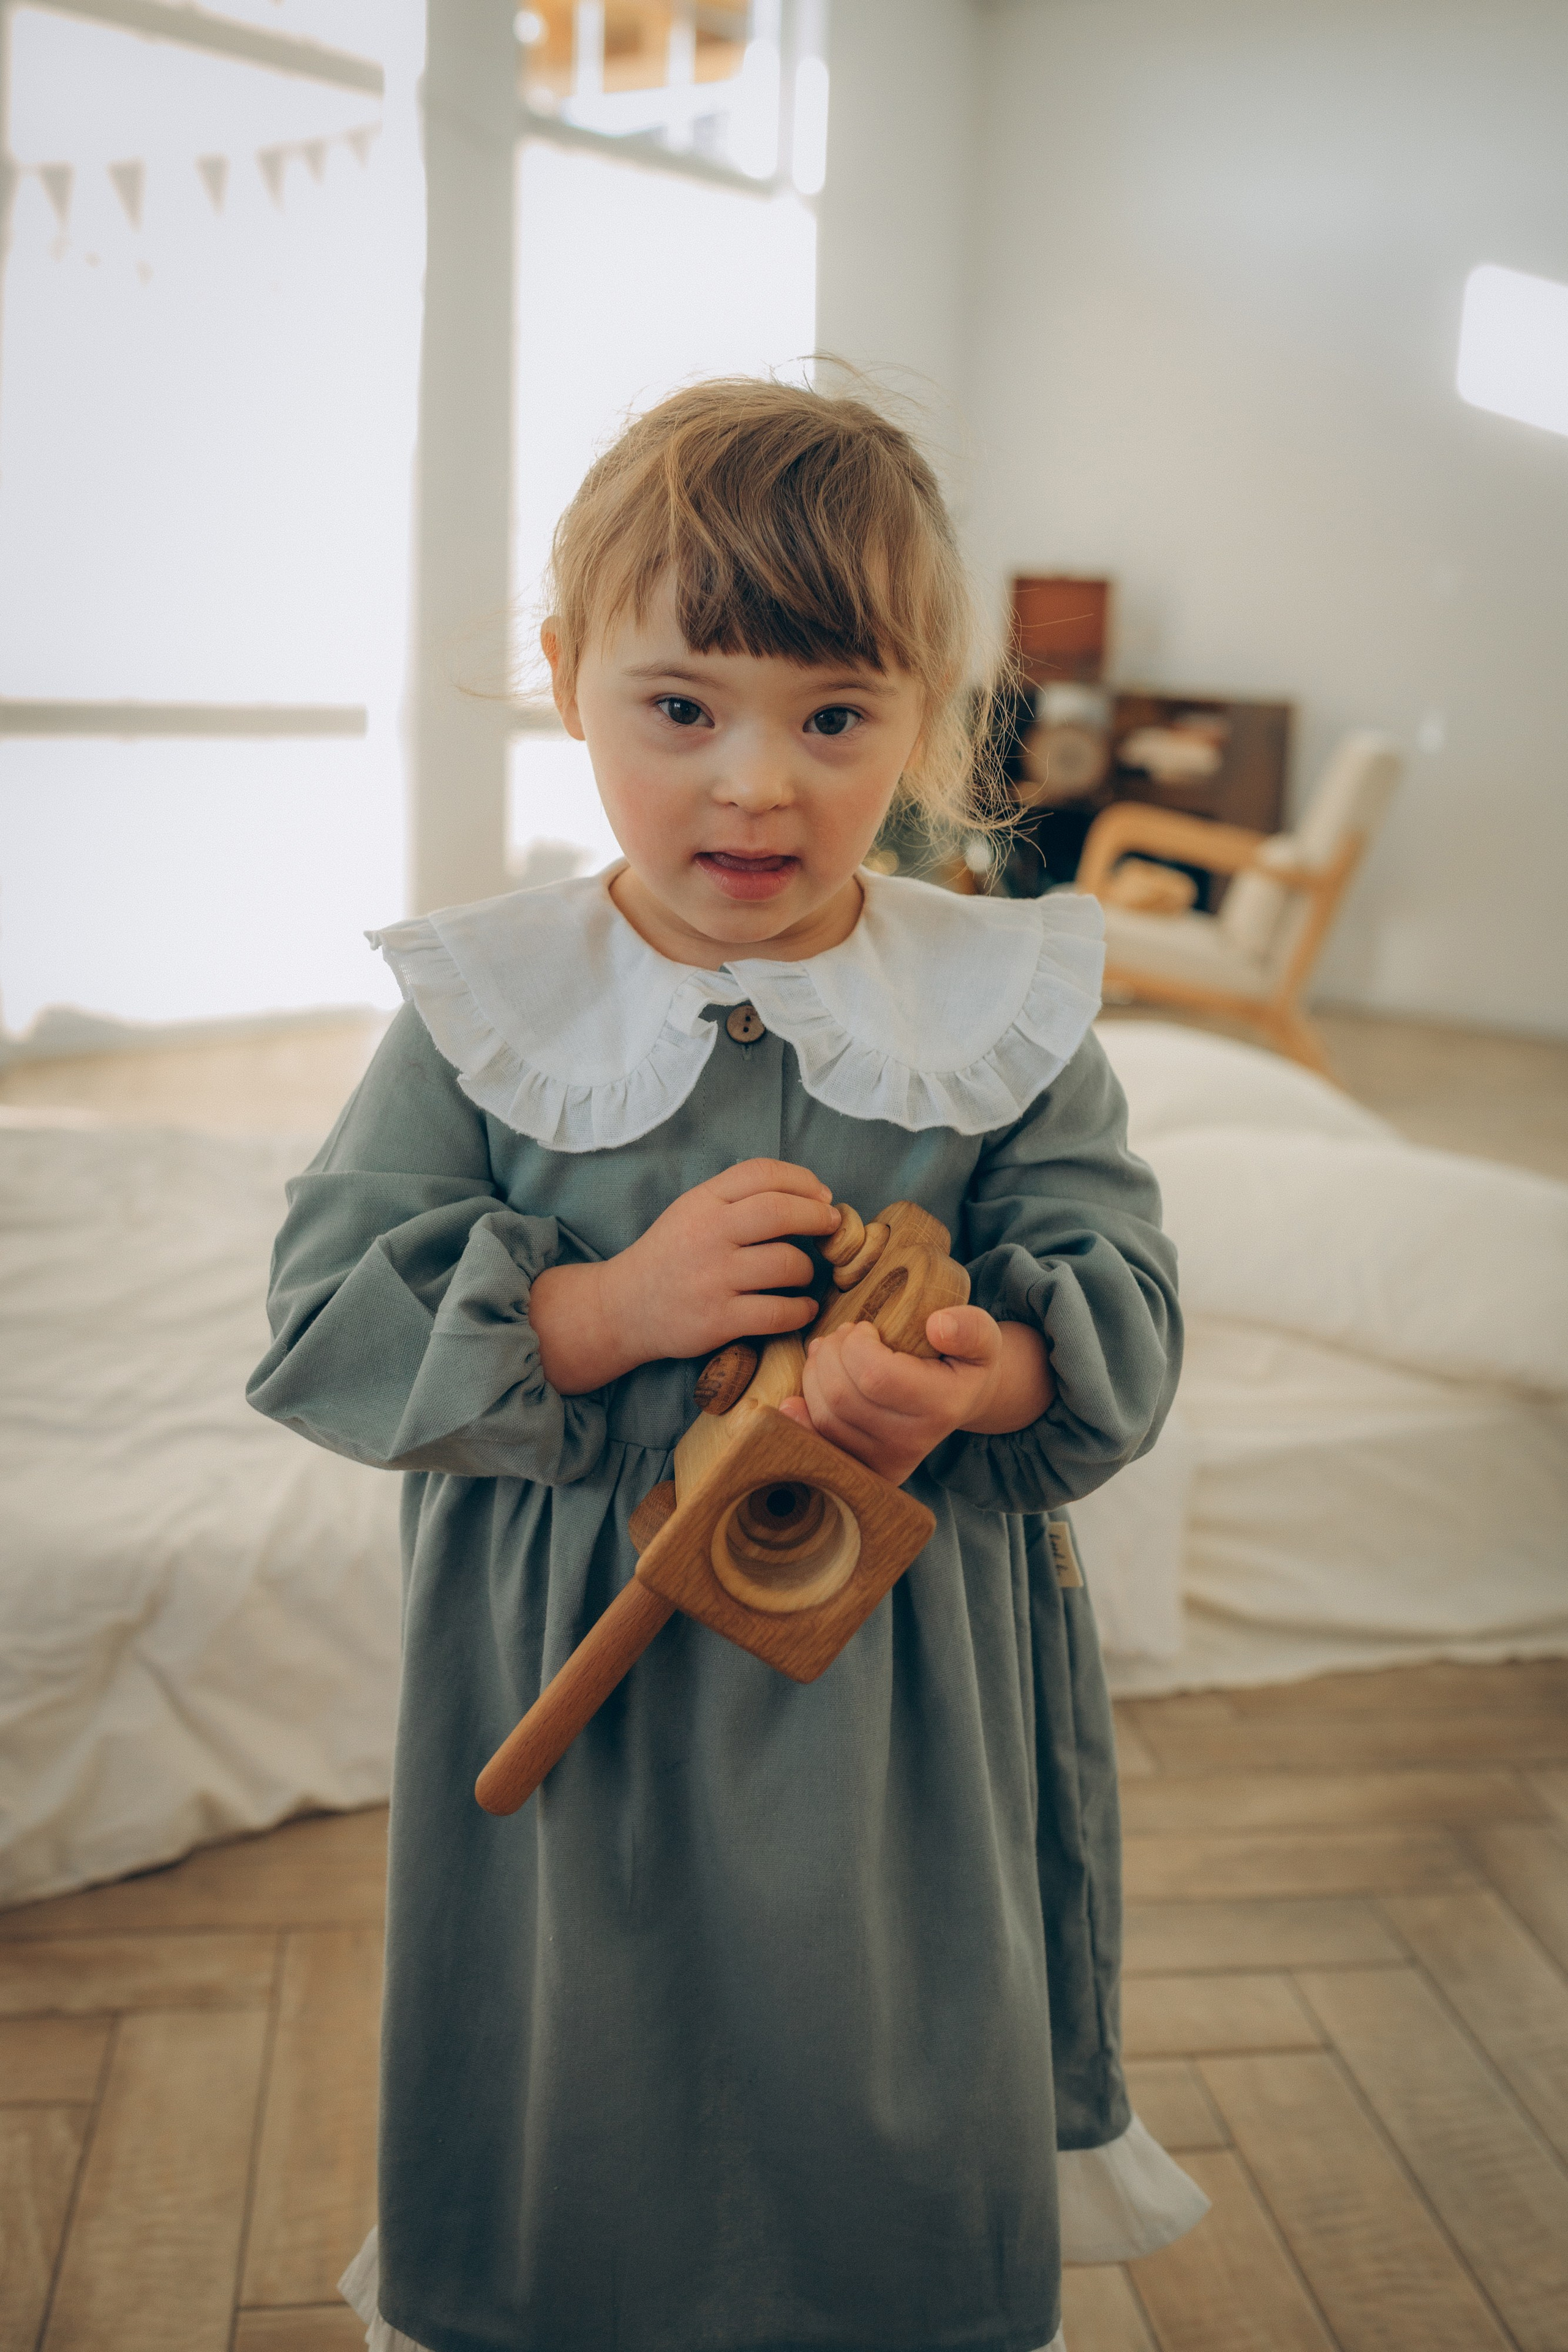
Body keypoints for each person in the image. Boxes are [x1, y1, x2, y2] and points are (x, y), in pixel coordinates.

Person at [249, 377, 1205, 2352]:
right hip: (571, 1669)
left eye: (835, 716)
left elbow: (1112, 1286)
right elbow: (329, 1318)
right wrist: (604, 1314)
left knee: (886, 2045)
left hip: (899, 1705)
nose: (754, 787)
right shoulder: (488, 1009)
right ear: (567, 681)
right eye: (681, 708)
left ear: (928, 718)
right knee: (585, 2054)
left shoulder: (998, 1004)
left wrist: (979, 1381)